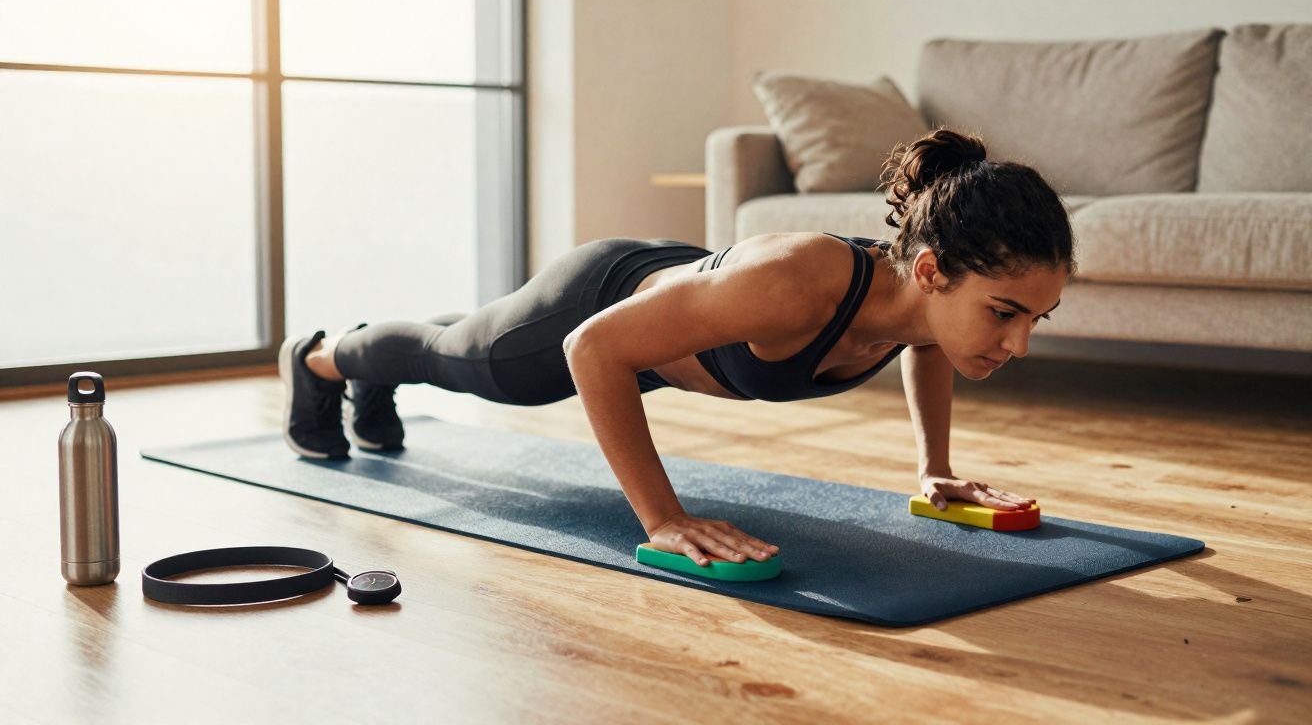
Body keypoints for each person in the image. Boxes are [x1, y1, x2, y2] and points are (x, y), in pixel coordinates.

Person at [278, 127, 1076, 569]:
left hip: (672, 311)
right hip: (596, 301)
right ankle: (318, 357)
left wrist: (934, 468)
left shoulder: (915, 304)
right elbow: (593, 348)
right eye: (1004, 313)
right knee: (460, 359)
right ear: (931, 271)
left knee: (470, 338)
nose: (1019, 343)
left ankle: (373, 373)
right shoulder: (798, 284)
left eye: (1037, 318)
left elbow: (925, 343)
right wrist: (662, 519)